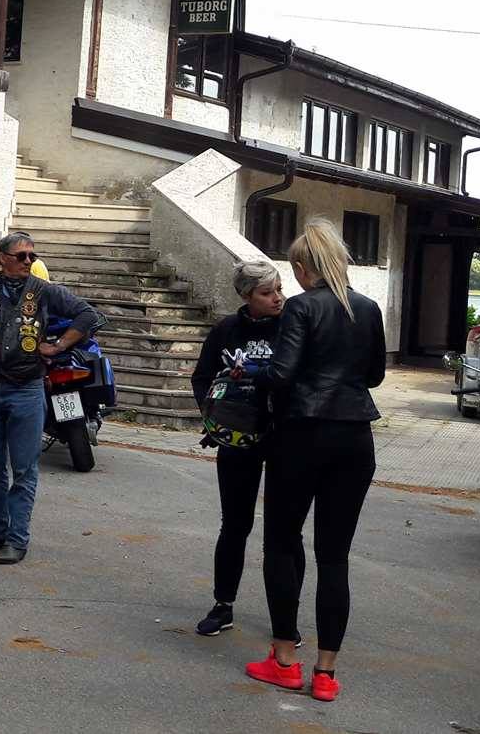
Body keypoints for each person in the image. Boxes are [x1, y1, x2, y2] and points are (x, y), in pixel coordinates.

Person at [244, 220, 385, 704]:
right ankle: (326, 673)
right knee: (334, 556)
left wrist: (253, 373)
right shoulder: (367, 308)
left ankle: (284, 660)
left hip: (302, 434)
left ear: (304, 268)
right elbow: (375, 375)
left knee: (282, 544)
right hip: (355, 437)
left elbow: (282, 374)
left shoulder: (302, 307)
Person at [0, 231, 103, 565]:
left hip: (26, 387)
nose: (28, 261)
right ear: (2, 258)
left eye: (32, 256)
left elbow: (87, 315)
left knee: (24, 468)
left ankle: (17, 539)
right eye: (21, 256)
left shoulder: (44, 290)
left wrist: (58, 345)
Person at [191, 259, 298, 637]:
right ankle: (223, 604)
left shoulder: (293, 325)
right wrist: (214, 420)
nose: (277, 298)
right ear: (246, 295)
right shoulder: (226, 330)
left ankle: (285, 621)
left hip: (284, 439)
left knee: (284, 532)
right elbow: (202, 378)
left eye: (279, 289)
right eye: (267, 293)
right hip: (237, 440)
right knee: (235, 525)